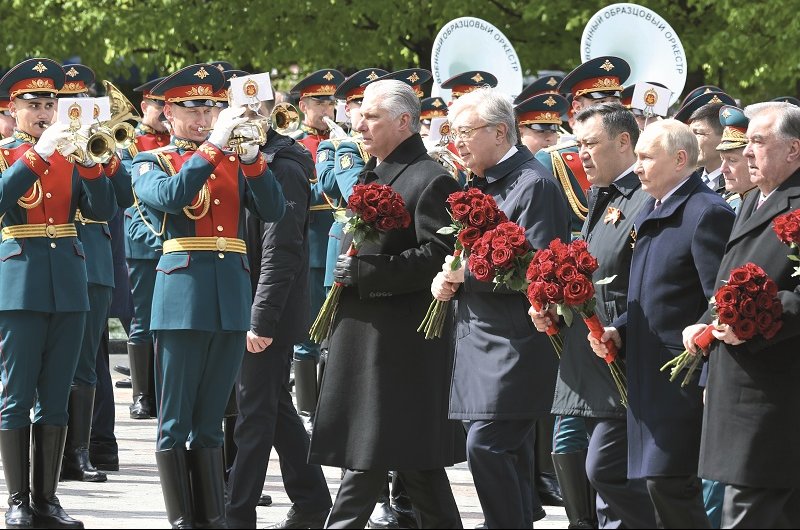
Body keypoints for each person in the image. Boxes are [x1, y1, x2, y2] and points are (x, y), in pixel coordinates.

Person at [131, 63, 285, 528]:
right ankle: (183, 518)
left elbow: (275, 208)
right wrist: (216, 145)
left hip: (231, 295)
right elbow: (175, 196)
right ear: (168, 114)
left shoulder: (235, 161)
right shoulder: (151, 161)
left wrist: (256, 158)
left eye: (213, 108)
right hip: (182, 297)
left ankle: (212, 517)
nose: (204, 118)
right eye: (193, 109)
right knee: (176, 417)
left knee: (215, 416)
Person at [308, 80, 465, 529]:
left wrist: (366, 274)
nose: (359, 123)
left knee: (369, 457)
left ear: (403, 122)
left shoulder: (430, 178)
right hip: (370, 338)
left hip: (396, 347)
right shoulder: (380, 172)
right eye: (359, 114)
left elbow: (438, 256)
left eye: (371, 116)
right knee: (416, 467)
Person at [431, 86, 570, 528]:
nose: (458, 142)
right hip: (479, 337)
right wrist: (448, 273)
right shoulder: (481, 182)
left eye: (466, 132)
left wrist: (465, 274)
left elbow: (538, 268)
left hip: (516, 340)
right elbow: (468, 253)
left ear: (499, 131)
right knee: (497, 449)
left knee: (487, 446)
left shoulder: (535, 184)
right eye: (453, 132)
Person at [589, 119, 735, 528]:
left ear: (681, 159)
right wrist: (620, 328)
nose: (637, 166)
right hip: (641, 372)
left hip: (679, 376)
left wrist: (704, 365)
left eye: (646, 157)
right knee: (607, 468)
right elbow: (651, 294)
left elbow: (720, 299)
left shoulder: (706, 213)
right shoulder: (652, 207)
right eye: (636, 157)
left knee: (668, 485)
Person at [0, 57, 117, 529]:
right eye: (35, 105)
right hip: (20, 284)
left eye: (50, 104)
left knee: (54, 394)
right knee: (16, 393)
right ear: (13, 107)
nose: (45, 113)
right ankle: (17, 499)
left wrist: (89, 165)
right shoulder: (8, 152)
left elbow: (106, 209)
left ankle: (47, 499)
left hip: (69, 283)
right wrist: (36, 155)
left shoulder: (70, 153)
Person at [530, 103, 657, 529]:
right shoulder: (601, 195)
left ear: (625, 142)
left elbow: (641, 283)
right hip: (593, 357)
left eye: (590, 144)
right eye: (578, 143)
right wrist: (557, 310)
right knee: (605, 484)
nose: (581, 154)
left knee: (605, 470)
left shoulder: (643, 198)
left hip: (624, 357)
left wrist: (615, 331)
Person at [683, 101, 800, 528]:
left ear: (794, 150)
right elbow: (735, 277)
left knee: (746, 513)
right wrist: (709, 315)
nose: (745, 151)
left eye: (757, 141)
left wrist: (752, 319)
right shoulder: (755, 198)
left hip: (774, 393)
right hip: (740, 384)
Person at [225, 98, 332, 529]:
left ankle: (237, 512)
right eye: (236, 111)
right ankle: (311, 498)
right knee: (274, 407)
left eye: (254, 112)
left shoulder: (282, 164)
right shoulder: (236, 155)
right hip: (249, 304)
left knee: (254, 412)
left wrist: (261, 317)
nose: (243, 120)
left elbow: (280, 247)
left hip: (267, 310)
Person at [57, 64, 134, 484]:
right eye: (65, 102)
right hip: (54, 259)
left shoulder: (99, 143)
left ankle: (86, 450)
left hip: (94, 262)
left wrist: (104, 156)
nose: (73, 110)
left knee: (88, 362)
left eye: (80, 101)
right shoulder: (44, 144)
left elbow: (123, 197)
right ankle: (54, 448)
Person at [288, 68, 345, 428]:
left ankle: (332, 406)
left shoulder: (348, 142)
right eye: (320, 101)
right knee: (308, 332)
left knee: (337, 333)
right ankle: (307, 410)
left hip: (340, 243)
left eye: (331, 101)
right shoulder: (293, 144)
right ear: (303, 104)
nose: (328, 108)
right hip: (309, 243)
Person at [122, 75, 170, 421]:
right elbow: (132, 199)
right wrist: (156, 238)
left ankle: (165, 390)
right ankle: (142, 395)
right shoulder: (130, 143)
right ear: (145, 107)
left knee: (169, 324)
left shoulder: (181, 142)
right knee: (142, 321)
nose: (163, 113)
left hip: (179, 241)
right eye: (158, 106)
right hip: (144, 241)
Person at [674, 91, 737, 194]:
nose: (690, 141)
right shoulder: (684, 181)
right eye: (689, 133)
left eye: (698, 133)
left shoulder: (739, 185)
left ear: (724, 137)